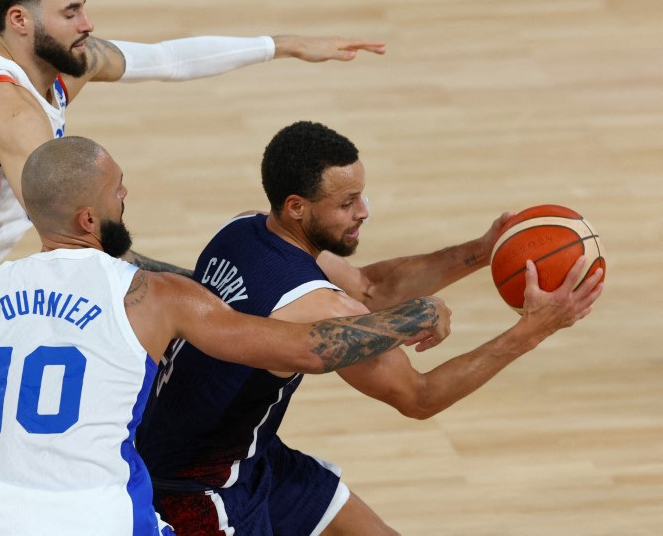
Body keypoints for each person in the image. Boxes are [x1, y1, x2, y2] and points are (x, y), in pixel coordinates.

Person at [0, 0, 386, 532]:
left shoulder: (57, 62)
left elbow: (165, 59)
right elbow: (85, 240)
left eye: (82, 5)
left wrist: (282, 45)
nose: (87, 22)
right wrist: (219, 290)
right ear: (19, 21)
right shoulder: (9, 113)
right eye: (70, 12)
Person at [0, 135, 452, 535]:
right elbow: (308, 349)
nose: (125, 195)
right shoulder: (154, 296)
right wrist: (411, 317)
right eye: (117, 189)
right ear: (89, 217)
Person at [135, 121, 604, 535]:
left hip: (246, 457)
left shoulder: (241, 228)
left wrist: (482, 252)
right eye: (347, 203)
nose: (364, 211)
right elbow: (419, 396)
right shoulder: (320, 310)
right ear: (297, 206)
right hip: (193, 492)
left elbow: (371, 288)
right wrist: (534, 330)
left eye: (362, 195)